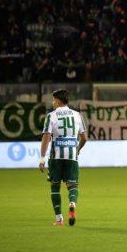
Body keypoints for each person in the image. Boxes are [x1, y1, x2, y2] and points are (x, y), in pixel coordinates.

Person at [39, 89, 87, 226]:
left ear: (58, 101)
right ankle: (72, 203)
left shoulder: (51, 116)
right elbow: (84, 138)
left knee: (55, 187)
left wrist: (42, 158)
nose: (53, 102)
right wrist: (77, 149)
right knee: (72, 185)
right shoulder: (77, 115)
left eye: (53, 99)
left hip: (56, 156)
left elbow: (46, 137)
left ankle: (59, 219)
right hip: (71, 155)